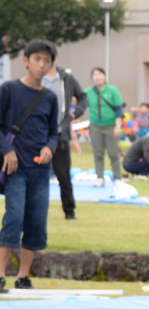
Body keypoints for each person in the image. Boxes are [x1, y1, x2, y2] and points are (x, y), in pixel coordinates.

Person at [0, 40, 59, 291]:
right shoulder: (9, 89)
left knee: (36, 221)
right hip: (15, 168)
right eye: (37, 59)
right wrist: (7, 150)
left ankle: (23, 276)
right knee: (14, 217)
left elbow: (54, 132)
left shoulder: (50, 97)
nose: (42, 65)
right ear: (25, 61)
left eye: (47, 61)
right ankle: (1, 274)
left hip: (41, 170)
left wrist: (49, 148)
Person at [42, 47, 86, 220]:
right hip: (39, 133)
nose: (45, 61)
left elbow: (82, 96)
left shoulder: (66, 78)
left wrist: (76, 112)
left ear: (56, 58)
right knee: (36, 176)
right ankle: (35, 211)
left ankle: (69, 211)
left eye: (49, 57)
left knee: (63, 175)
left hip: (60, 132)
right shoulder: (37, 77)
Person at [86, 66, 123, 187]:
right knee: (98, 153)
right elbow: (79, 104)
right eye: (95, 75)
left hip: (110, 126)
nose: (97, 77)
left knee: (113, 153)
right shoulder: (88, 92)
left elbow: (119, 109)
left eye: (99, 74)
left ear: (104, 76)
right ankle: (99, 177)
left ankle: (117, 177)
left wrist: (118, 125)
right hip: (95, 126)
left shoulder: (113, 90)